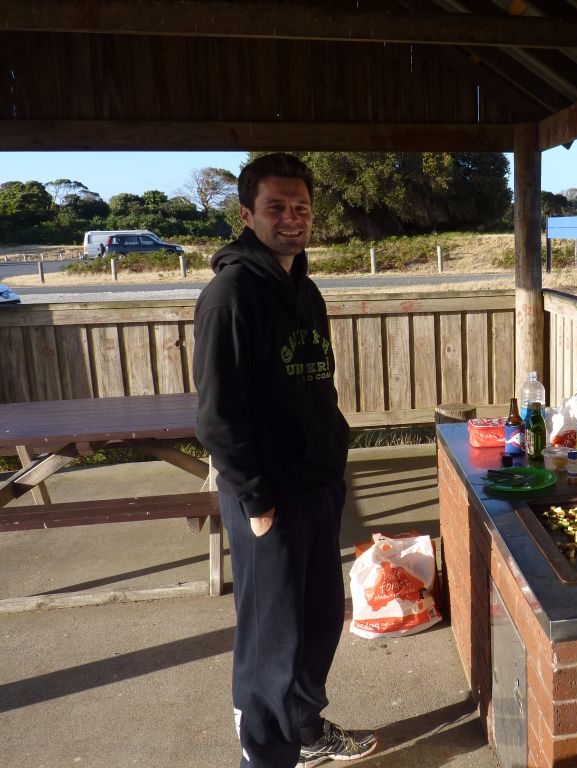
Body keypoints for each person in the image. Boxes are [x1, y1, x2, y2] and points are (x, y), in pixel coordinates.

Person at [193, 153, 377, 768]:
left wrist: (334, 461)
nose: (291, 218)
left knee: (318, 626)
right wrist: (257, 500)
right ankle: (266, 757)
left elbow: (314, 386)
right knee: (271, 645)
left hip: (316, 485)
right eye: (277, 207)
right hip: (267, 497)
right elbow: (218, 417)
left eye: (301, 207)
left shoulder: (305, 288)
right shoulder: (230, 296)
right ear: (248, 214)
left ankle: (305, 732)